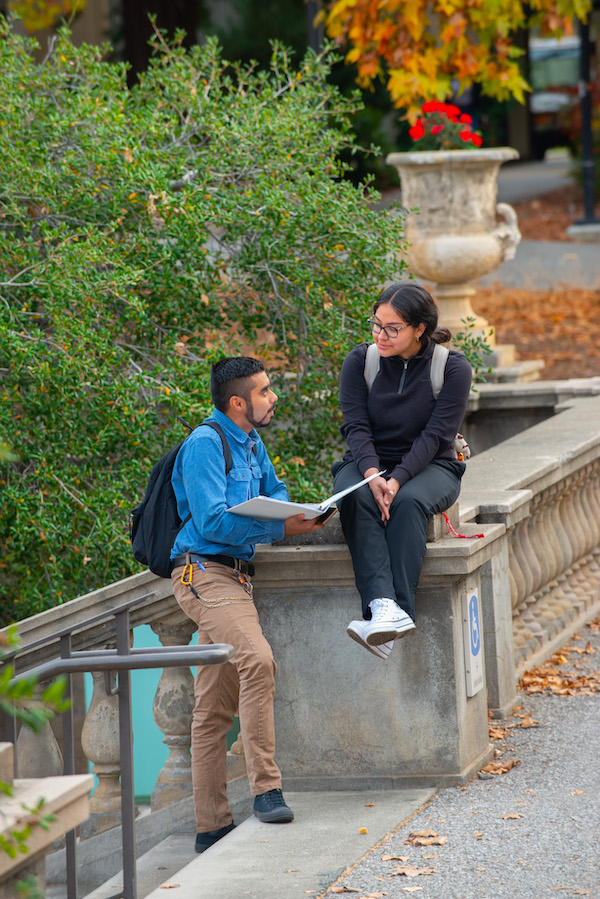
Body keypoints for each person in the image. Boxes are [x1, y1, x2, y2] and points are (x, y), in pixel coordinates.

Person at [170, 356, 323, 853]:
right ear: (239, 402)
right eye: (264, 391)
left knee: (213, 708)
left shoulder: (253, 443)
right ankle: (266, 788)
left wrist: (301, 513)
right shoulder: (204, 445)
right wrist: (280, 527)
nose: (272, 397)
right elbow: (212, 522)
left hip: (236, 577)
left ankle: (210, 825)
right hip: (202, 573)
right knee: (258, 660)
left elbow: (274, 494)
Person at [333, 282, 472, 660]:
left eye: (392, 328)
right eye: (376, 324)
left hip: (433, 464)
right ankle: (383, 608)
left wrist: (396, 480)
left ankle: (397, 615)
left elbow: (436, 436)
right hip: (366, 461)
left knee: (408, 502)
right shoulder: (360, 361)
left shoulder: (452, 367)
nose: (380, 334)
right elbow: (355, 426)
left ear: (419, 329)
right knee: (356, 496)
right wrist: (374, 474)